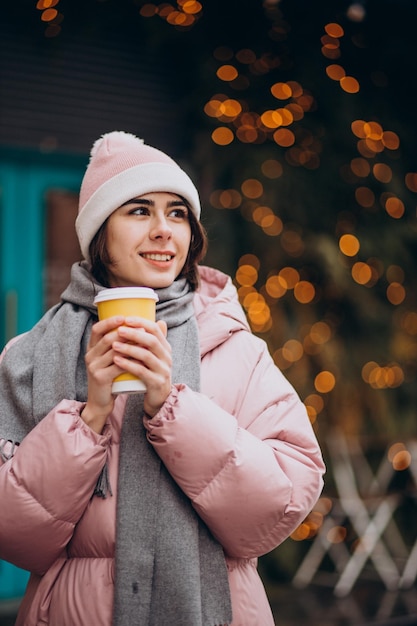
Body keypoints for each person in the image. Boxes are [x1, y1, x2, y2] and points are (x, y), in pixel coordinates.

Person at [0, 131, 325, 626]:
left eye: (177, 213)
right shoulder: (29, 358)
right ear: (99, 235)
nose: (163, 230)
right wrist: (89, 418)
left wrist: (172, 407)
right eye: (138, 211)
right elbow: (13, 534)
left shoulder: (236, 348)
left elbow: (278, 509)